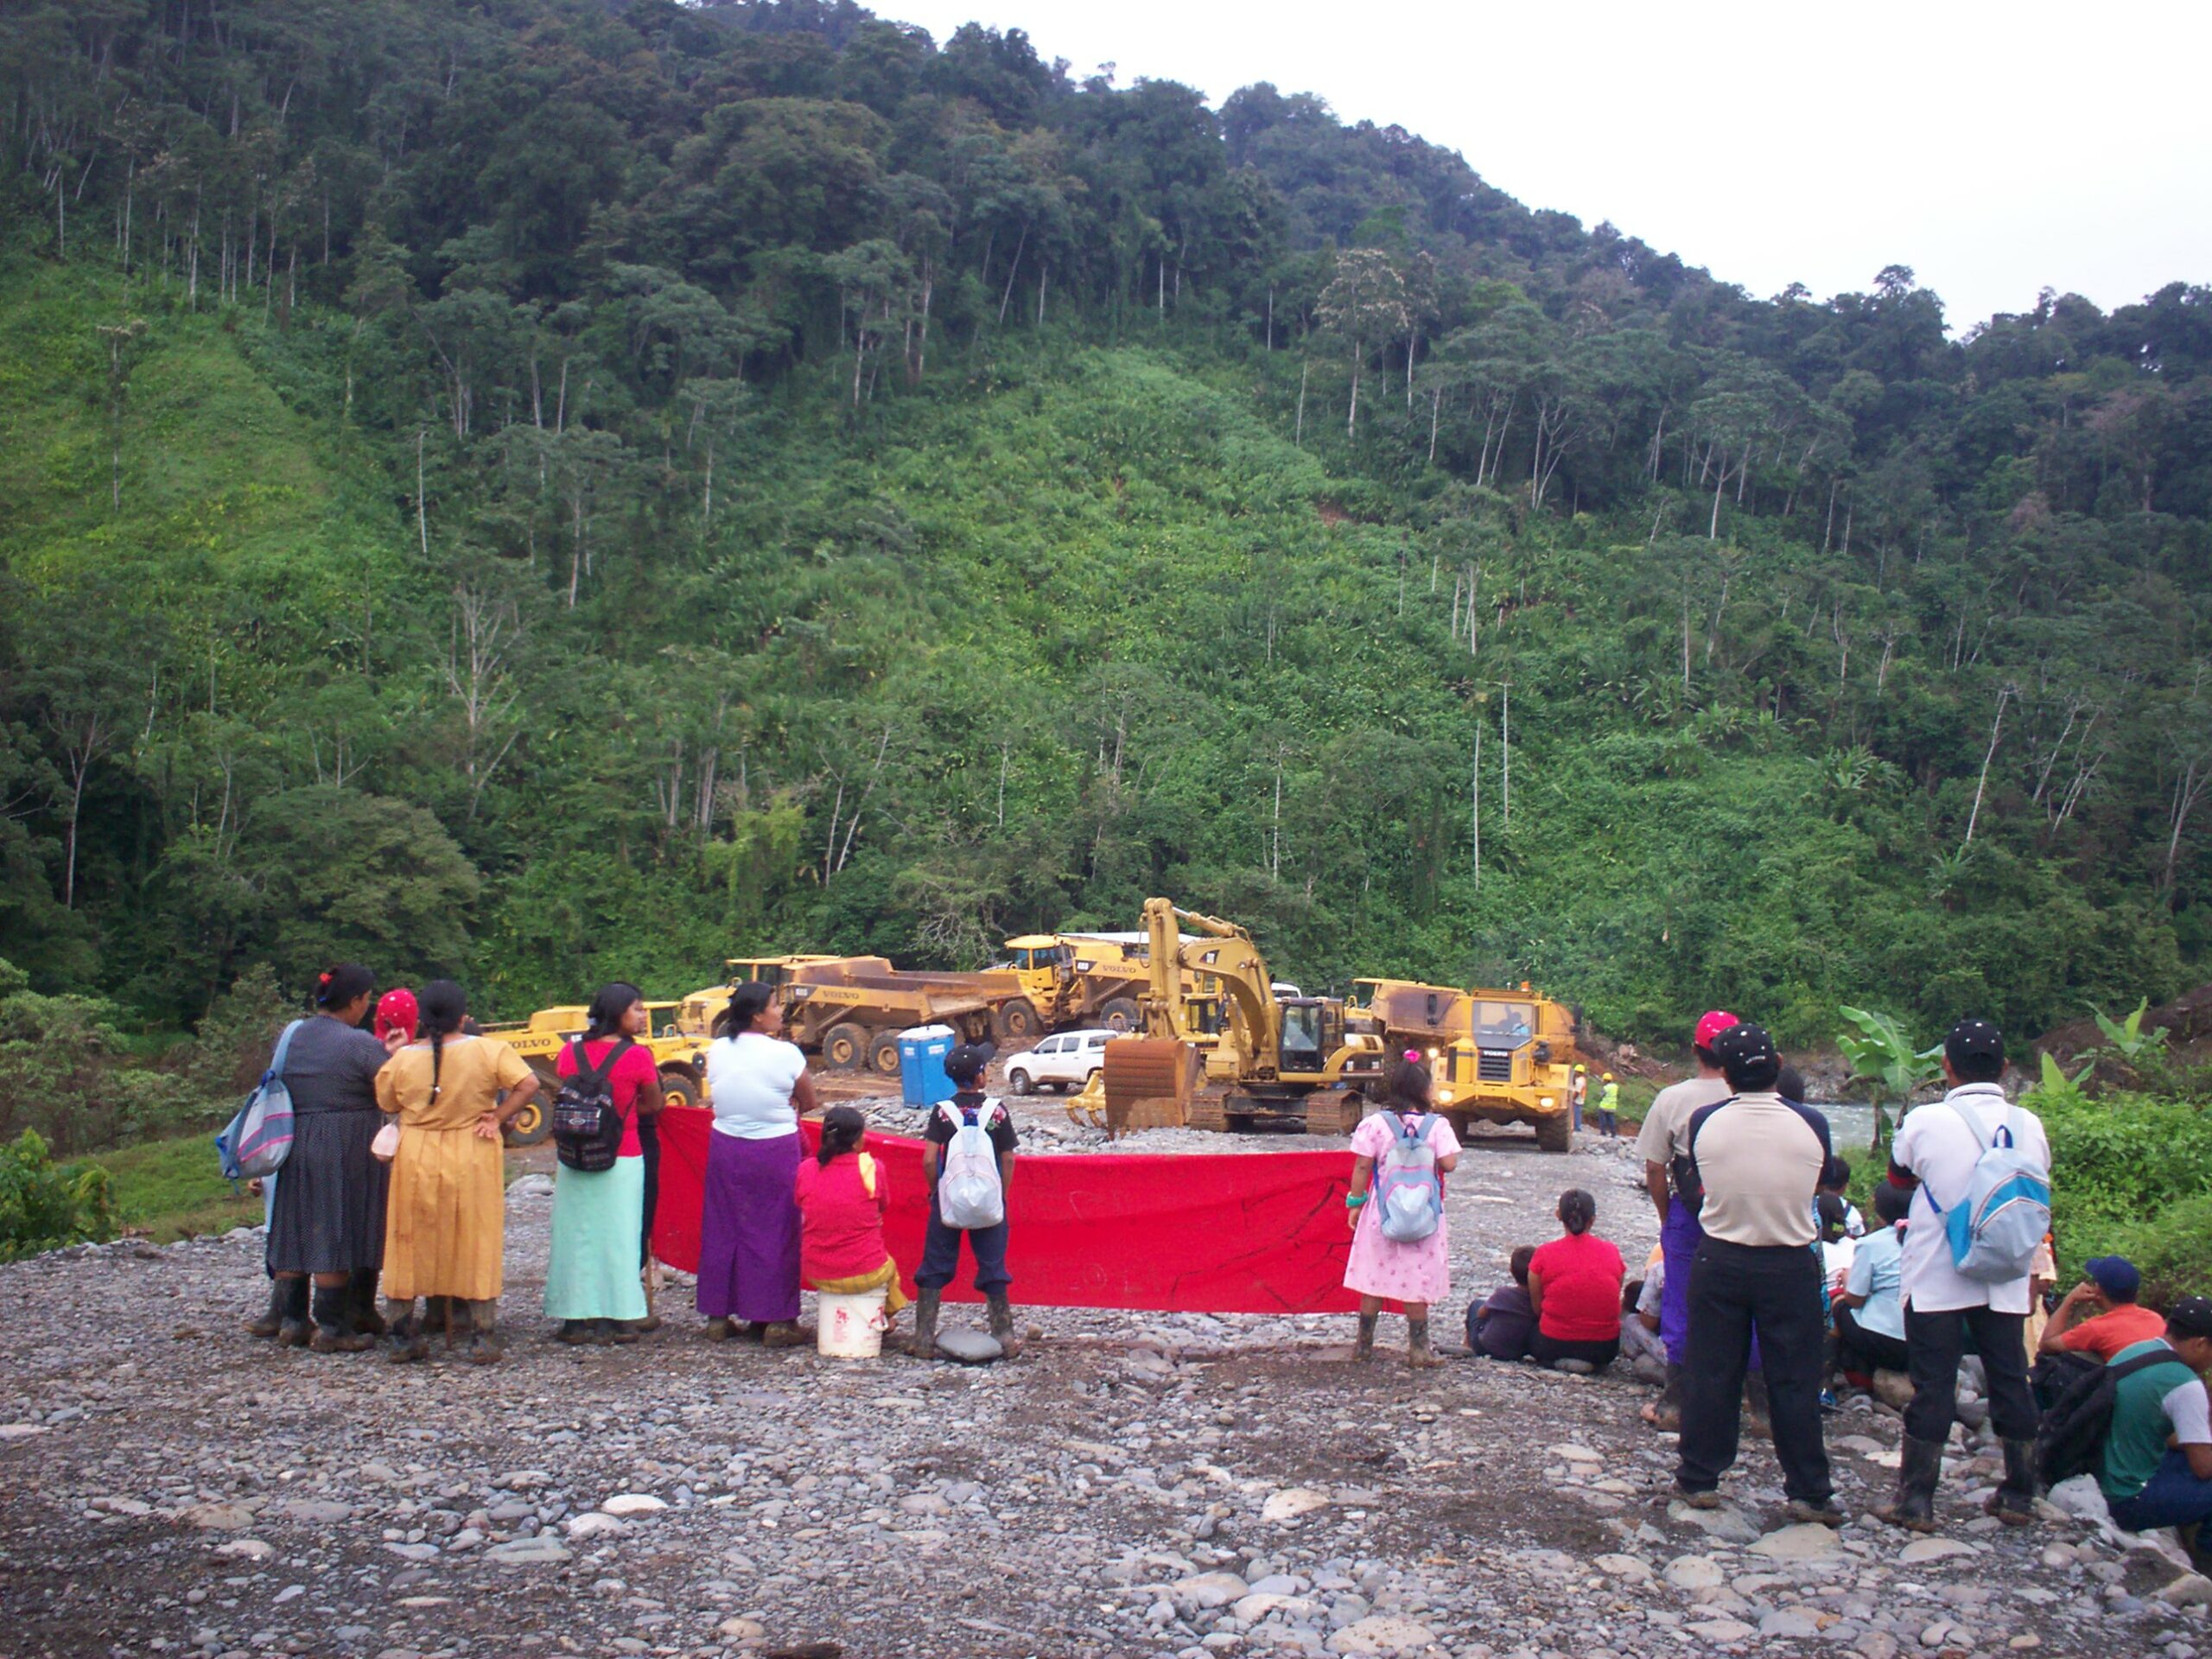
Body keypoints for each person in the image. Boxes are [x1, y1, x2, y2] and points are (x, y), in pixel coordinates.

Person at [1877, 1018, 2050, 1532]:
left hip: (1936, 1275)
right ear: (2005, 1067)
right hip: (2005, 1276)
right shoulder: (2030, 1124)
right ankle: (2019, 1494)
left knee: (1933, 1386)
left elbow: (1898, 1179)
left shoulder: (1927, 1120)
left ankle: (1916, 1502)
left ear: (1946, 1066)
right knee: (2010, 1379)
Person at [1671, 1021, 1840, 1525]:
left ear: (1725, 1075)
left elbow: (1696, 1184)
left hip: (1721, 1256)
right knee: (1794, 1378)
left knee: (1712, 1372)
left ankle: (1700, 1477)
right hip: (1789, 1262)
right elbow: (1820, 1180)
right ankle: (1810, 1490)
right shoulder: (1813, 1122)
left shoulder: (1704, 1121)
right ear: (1779, 1065)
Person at [374, 980, 540, 1363]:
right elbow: (529, 1083)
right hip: (472, 1151)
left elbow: (385, 1100)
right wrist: (497, 1116)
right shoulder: (488, 1049)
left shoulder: (403, 1059)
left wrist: (395, 1055)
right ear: (463, 1016)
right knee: (475, 1237)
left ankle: (401, 1334)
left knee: (409, 1238)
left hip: (417, 1153)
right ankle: (481, 1335)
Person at [257, 964, 399, 1353]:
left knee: (294, 1225)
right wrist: (399, 1055)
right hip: (341, 1145)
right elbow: (394, 1088)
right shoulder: (358, 1044)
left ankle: (292, 1321)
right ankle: (334, 1328)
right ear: (355, 1001)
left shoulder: (292, 1035)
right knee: (332, 1229)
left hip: (293, 1140)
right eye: (366, 999)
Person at [1634, 1009, 1740, 1430]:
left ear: (1695, 1050)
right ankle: (1757, 1404)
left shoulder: (1673, 1099)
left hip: (1691, 1213)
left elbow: (1655, 1170)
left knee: (1681, 1301)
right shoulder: (1753, 1099)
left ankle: (1675, 1403)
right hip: (1744, 1214)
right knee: (1744, 1301)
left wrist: (1667, 1217)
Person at [544, 983, 664, 1346]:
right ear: (618, 1014)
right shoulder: (638, 1057)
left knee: (575, 1235)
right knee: (620, 1236)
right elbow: (654, 1105)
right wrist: (619, 1118)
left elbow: (561, 1091)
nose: (643, 1015)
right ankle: (619, 1317)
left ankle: (574, 1319)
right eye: (637, 1009)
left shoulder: (570, 1052)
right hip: (622, 1153)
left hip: (574, 1155)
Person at [698, 982, 815, 1347]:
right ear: (757, 1015)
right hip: (774, 1149)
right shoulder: (787, 1054)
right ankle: (777, 1320)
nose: (781, 1011)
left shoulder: (717, 1049)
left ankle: (718, 1316)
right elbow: (808, 1100)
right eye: (775, 1005)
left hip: (726, 1147)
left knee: (725, 1227)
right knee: (777, 1230)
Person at [1342, 1058, 1461, 1368]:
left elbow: (1362, 1166)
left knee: (1373, 1277)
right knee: (1417, 1278)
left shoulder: (1376, 1124)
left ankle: (1363, 1348)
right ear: (1424, 1090)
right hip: (1424, 1216)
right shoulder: (1438, 1125)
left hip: (1381, 1214)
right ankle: (1419, 1350)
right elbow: (1449, 1164)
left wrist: (1355, 1204)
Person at [916, 1043, 1021, 1359]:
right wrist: (1000, 1195)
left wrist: (937, 1192)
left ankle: (922, 1339)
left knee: (935, 1264)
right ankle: (1004, 1337)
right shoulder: (998, 1112)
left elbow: (929, 1159)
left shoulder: (942, 1112)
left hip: (949, 1200)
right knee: (993, 1265)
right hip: (989, 1202)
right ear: (979, 1076)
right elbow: (1009, 1159)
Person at [2100, 1298, 2212, 1539]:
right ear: (2201, 1344)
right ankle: (2205, 1557)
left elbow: (2159, 1431)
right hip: (2127, 1499)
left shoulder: (2136, 1351)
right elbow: (2203, 1467)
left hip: (2103, 1473)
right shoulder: (2185, 1384)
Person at [795, 1105, 911, 1335]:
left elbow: (800, 1203)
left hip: (816, 1271)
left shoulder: (806, 1169)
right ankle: (884, 1316)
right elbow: (883, 1205)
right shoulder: (871, 1168)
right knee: (889, 1268)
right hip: (866, 1271)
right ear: (857, 1141)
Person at [1529, 1189, 1625, 1371]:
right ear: (1593, 1219)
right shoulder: (1612, 1251)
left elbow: (1537, 1307)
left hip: (1554, 1343)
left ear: (1558, 1215)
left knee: (1530, 1329)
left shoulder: (1544, 1253)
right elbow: (1613, 1293)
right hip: (1604, 1348)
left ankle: (1560, 1362)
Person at [1834, 1180, 1912, 1383]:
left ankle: (1854, 1371)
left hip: (1887, 1343)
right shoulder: (1930, 1238)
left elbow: (1855, 1300)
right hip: (1927, 1343)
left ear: (1880, 1211)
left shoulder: (1870, 1244)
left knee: (1837, 1302)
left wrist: (1848, 1278)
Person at [2039, 1255, 2168, 1363]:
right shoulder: (2155, 1319)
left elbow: (2047, 1344)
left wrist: (2069, 1300)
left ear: (2098, 1289)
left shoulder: (2097, 1328)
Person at [1469, 1246, 1537, 1361]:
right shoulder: (1538, 1300)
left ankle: (1468, 1344)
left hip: (1485, 1346)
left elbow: (1482, 1313)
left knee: (1476, 1305)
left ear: (1511, 1271)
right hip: (1518, 1352)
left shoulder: (1503, 1294)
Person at [1623, 1274, 1670, 1381]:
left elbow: (1648, 1322)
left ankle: (1632, 1349)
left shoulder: (1659, 1271)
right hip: (1712, 1351)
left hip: (1680, 1356)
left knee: (1632, 1320)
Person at [1593, 1073, 1620, 1138]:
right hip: (1612, 1107)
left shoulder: (1606, 1087)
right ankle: (1613, 1133)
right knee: (1611, 1120)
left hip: (1604, 1106)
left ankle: (1603, 1132)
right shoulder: (1615, 1087)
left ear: (1605, 1080)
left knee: (1603, 1120)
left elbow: (1601, 1095)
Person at [1568, 1065, 1588, 1135]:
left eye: (1576, 1072)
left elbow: (1577, 1092)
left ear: (1578, 1072)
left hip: (1577, 1100)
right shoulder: (1582, 1079)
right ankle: (1577, 1127)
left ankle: (1577, 1128)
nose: (1575, 1073)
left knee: (1576, 1114)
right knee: (1577, 1114)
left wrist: (1572, 1099)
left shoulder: (1580, 1081)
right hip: (1580, 1100)